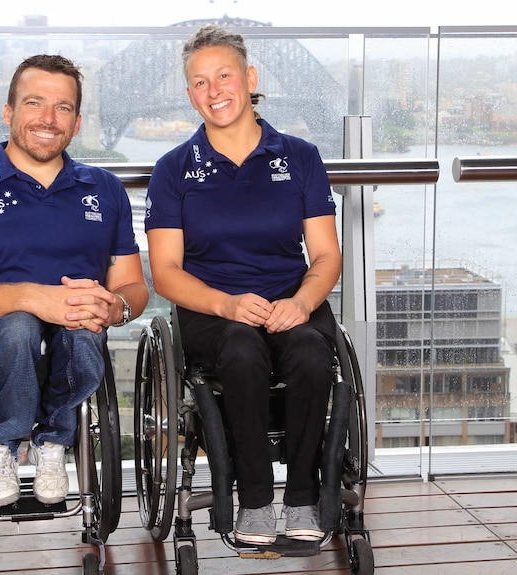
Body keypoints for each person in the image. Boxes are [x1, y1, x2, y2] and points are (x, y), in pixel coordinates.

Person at [0, 54, 148, 507]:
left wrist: (114, 307)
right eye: (34, 103)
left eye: (62, 108)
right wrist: (31, 297)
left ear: (77, 122)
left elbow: (134, 287)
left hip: (76, 332)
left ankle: (53, 444)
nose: (48, 119)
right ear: (9, 113)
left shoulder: (105, 188)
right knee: (20, 324)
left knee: (83, 330)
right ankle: (2, 443)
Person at [144, 25, 342, 545]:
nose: (214, 91)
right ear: (191, 95)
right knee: (240, 351)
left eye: (224, 76)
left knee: (310, 353)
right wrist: (226, 304)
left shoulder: (300, 156)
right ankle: (253, 499)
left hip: (290, 297)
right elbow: (165, 272)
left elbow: (325, 254)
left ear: (249, 78)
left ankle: (303, 495)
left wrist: (301, 302)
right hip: (211, 307)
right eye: (200, 82)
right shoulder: (172, 171)